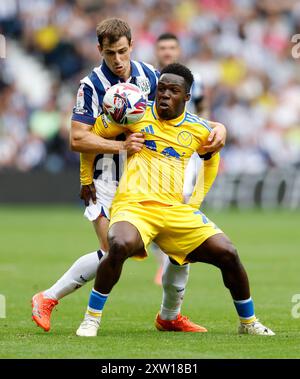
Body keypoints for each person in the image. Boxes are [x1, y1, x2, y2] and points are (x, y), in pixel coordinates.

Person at [31, 18, 226, 333]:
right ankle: (48, 297)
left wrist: (218, 127)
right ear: (100, 51)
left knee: (179, 246)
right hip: (107, 180)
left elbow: (178, 115)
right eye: (111, 54)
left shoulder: (150, 75)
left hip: (153, 178)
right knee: (116, 250)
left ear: (132, 46)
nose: (118, 60)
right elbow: (77, 139)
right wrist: (118, 147)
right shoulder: (91, 85)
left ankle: (171, 316)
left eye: (123, 52)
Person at [76, 63, 275, 338]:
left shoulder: (198, 129)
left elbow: (211, 161)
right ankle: (91, 319)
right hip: (134, 206)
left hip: (174, 210)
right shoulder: (134, 114)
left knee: (228, 253)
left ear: (187, 97)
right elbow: (89, 139)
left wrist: (194, 203)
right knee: (119, 245)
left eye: (173, 91)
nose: (165, 95)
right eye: (162, 89)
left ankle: (248, 322)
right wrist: (86, 178)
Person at [152, 32, 208, 285]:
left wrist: (206, 133)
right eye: (162, 47)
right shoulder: (150, 78)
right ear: (157, 50)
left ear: (178, 49)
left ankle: (171, 261)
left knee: (182, 200)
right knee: (154, 204)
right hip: (156, 152)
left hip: (186, 148)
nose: (167, 51)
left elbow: (203, 107)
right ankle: (164, 260)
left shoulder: (194, 79)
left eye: (171, 47)